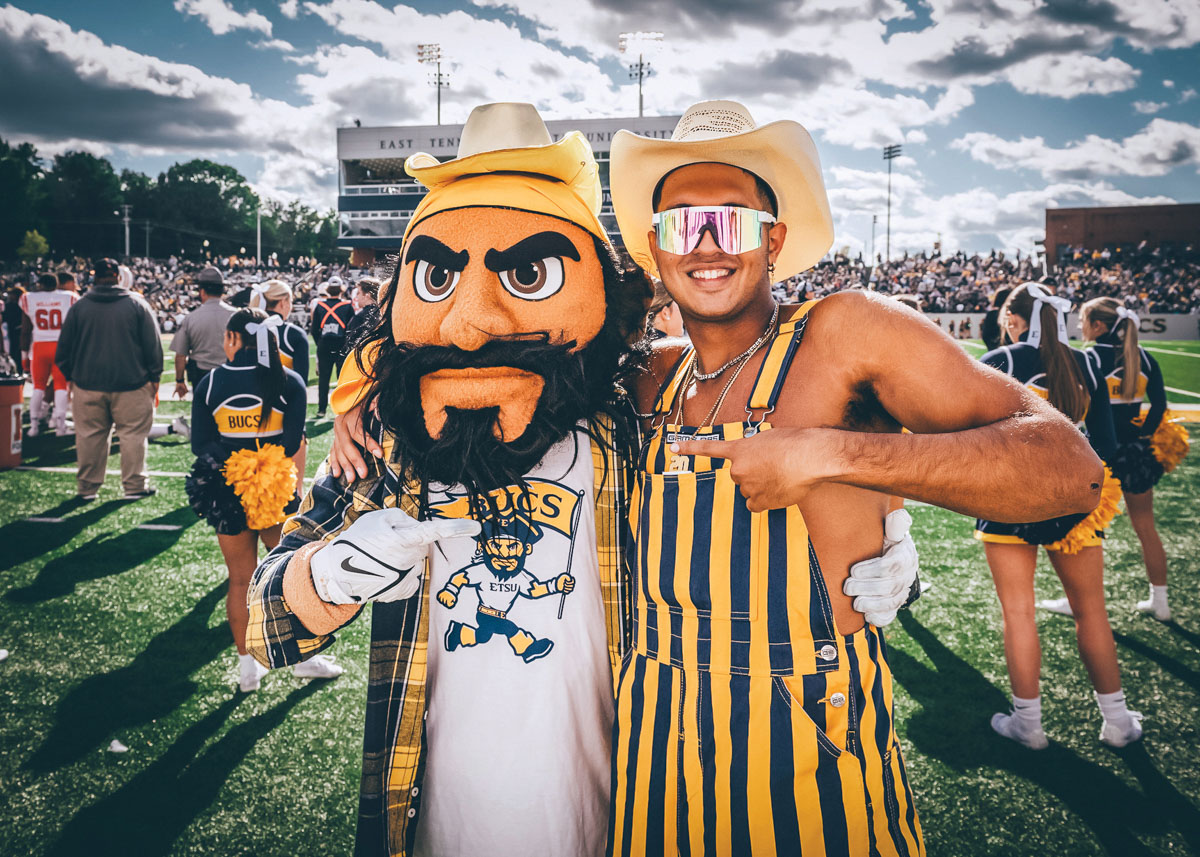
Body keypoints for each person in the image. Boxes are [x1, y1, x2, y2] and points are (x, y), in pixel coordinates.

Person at [247, 102, 924, 857]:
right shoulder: (390, 445)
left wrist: (884, 536)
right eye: (440, 275)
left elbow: (748, 525)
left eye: (529, 273)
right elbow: (262, 617)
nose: (472, 325)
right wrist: (331, 571)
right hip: (434, 820)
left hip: (627, 813)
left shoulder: (624, 425)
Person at [604, 100, 1102, 854]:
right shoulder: (648, 377)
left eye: (731, 222)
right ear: (654, 246)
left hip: (806, 746)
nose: (706, 244)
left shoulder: (844, 332)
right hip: (653, 754)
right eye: (683, 224)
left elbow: (1070, 469)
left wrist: (835, 457)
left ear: (774, 239)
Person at [974, 284, 1141, 750]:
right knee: (1092, 613)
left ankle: (1028, 723)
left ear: (1013, 317)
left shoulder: (1003, 360)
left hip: (1009, 504)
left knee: (1019, 613)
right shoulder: (1087, 362)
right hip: (1075, 504)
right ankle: (1117, 721)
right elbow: (1104, 445)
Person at [185, 307, 341, 692]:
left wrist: (238, 466)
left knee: (240, 580)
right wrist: (261, 467)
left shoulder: (209, 383)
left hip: (227, 491)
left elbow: (200, 445)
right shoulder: (288, 381)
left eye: (227, 336)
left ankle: (247, 671)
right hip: (275, 491)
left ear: (235, 339)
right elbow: (291, 443)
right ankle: (304, 659)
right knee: (291, 581)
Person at [1080, 297, 1185, 621]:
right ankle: (1161, 602)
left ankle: (1080, 602)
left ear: (1098, 326)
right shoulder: (1144, 358)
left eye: (1084, 320)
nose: (1080, 327)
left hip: (1098, 454)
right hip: (1137, 454)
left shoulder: (1090, 358)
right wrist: (1143, 437)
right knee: (1146, 528)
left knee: (1087, 532)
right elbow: (1158, 405)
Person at [55, 258, 161, 501]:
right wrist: (153, 378)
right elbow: (152, 347)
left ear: (94, 277)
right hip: (132, 384)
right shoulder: (136, 305)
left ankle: (87, 488)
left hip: (88, 384)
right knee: (133, 436)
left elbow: (63, 352)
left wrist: (74, 377)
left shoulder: (80, 307)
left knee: (89, 437)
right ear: (117, 277)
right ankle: (134, 485)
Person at [19, 272, 76, 436]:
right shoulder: (68, 297)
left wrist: (24, 357)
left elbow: (25, 331)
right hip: (61, 346)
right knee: (60, 386)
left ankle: (34, 427)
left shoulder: (29, 298)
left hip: (39, 346)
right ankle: (59, 427)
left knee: (38, 387)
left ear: (40, 284)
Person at [170, 266, 235, 400]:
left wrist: (180, 380)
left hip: (201, 377)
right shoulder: (235, 316)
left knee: (202, 417)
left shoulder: (190, 318)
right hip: (230, 375)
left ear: (202, 291)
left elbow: (180, 356)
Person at [309, 279, 353, 418]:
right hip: (341, 345)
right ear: (341, 290)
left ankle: (321, 409)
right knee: (342, 378)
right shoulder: (347, 305)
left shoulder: (320, 305)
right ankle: (342, 409)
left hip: (324, 345)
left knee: (324, 378)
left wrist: (320, 343)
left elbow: (314, 329)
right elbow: (351, 328)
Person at [343, 276, 380, 356]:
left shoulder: (360, 317)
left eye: (358, 293)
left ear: (367, 296)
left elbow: (350, 346)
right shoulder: (385, 314)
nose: (357, 297)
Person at [980, 287, 1012, 351]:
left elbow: (985, 335)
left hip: (995, 350)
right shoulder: (1011, 315)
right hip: (1008, 351)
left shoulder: (991, 314)